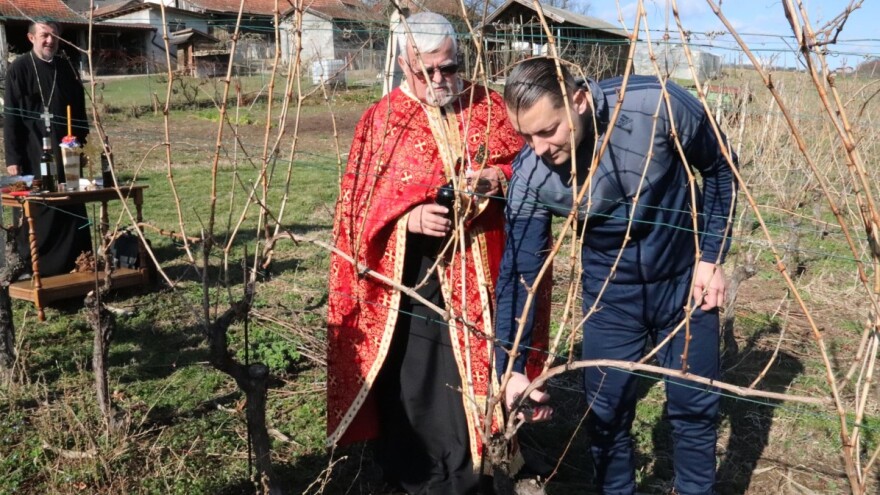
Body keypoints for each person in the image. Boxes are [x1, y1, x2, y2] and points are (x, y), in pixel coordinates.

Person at [326, 12, 549, 494]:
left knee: (490, 366)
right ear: (405, 65)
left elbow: (529, 161)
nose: (442, 80)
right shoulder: (380, 121)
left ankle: (491, 458)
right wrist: (407, 219)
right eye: (428, 71)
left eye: (449, 67)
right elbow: (355, 211)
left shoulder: (489, 107)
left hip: (488, 270)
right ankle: (427, 469)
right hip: (414, 282)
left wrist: (497, 179)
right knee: (422, 381)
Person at [496, 57, 738, 495]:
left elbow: (722, 169)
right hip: (611, 297)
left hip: (686, 283)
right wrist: (510, 367)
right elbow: (519, 275)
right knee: (605, 418)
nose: (537, 148)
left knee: (695, 412)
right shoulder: (531, 176)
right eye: (525, 135)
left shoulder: (656, 105)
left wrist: (712, 257)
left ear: (580, 101)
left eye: (548, 130)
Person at [4, 21, 91, 276]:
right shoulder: (19, 69)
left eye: (54, 36)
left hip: (67, 150)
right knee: (40, 209)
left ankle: (78, 261)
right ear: (31, 38)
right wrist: (13, 158)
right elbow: (10, 117)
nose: (50, 41)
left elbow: (80, 112)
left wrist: (83, 145)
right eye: (44, 35)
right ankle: (35, 266)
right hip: (32, 151)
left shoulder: (67, 68)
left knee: (71, 204)